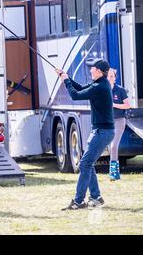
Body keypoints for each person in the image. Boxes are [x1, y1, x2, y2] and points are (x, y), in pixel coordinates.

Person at [56, 58, 115, 210]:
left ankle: (78, 201)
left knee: (84, 164)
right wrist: (66, 77)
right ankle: (96, 197)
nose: (90, 70)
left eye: (92, 68)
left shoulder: (100, 87)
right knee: (87, 164)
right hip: (101, 131)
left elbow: (75, 96)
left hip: (102, 132)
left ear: (100, 71)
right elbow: (81, 88)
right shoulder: (100, 84)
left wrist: (66, 81)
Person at [107, 68, 131, 181]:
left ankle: (114, 173)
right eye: (108, 76)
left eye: (112, 76)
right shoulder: (104, 90)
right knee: (109, 147)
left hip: (120, 121)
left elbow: (127, 105)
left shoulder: (120, 90)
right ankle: (113, 171)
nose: (110, 78)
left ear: (115, 78)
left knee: (114, 146)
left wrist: (115, 105)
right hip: (108, 122)